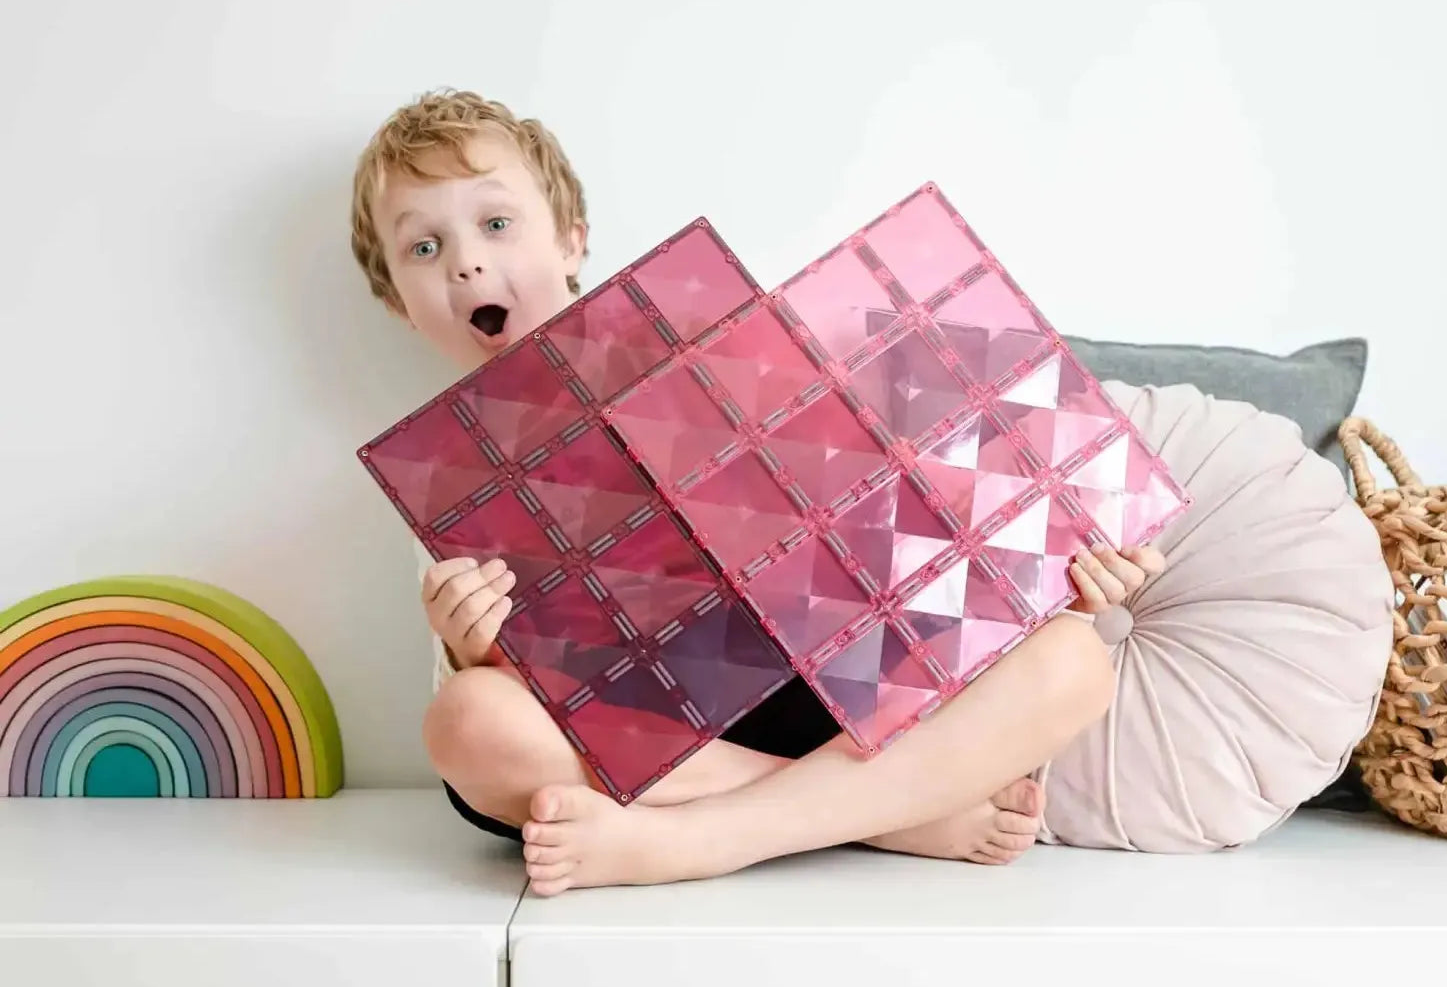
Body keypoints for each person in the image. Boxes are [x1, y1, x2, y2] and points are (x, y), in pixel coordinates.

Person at [348, 88, 1163, 896]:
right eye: (423, 248)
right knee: (468, 722)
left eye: (495, 223)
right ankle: (887, 814)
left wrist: (1060, 573)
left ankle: (704, 839)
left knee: (1073, 660)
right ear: (396, 305)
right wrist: (470, 645)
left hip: (821, 685)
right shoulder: (444, 477)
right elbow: (499, 693)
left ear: (571, 241)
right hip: (652, 738)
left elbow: (905, 530)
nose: (466, 261)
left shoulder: (726, 349)